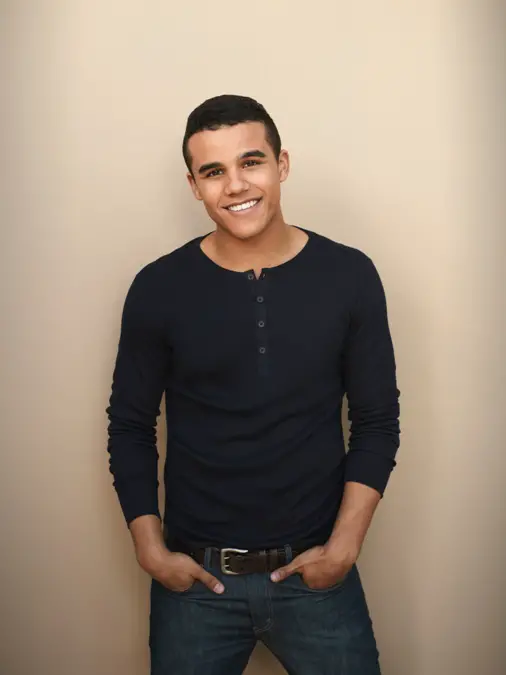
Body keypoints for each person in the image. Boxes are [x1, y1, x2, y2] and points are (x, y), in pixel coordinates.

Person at [106, 94, 401, 675]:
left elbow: (376, 421)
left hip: (316, 575)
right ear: (194, 185)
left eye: (251, 162)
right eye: (213, 171)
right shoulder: (158, 288)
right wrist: (150, 550)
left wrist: (344, 548)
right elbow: (131, 426)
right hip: (196, 584)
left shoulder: (349, 275)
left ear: (281, 164)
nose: (236, 185)